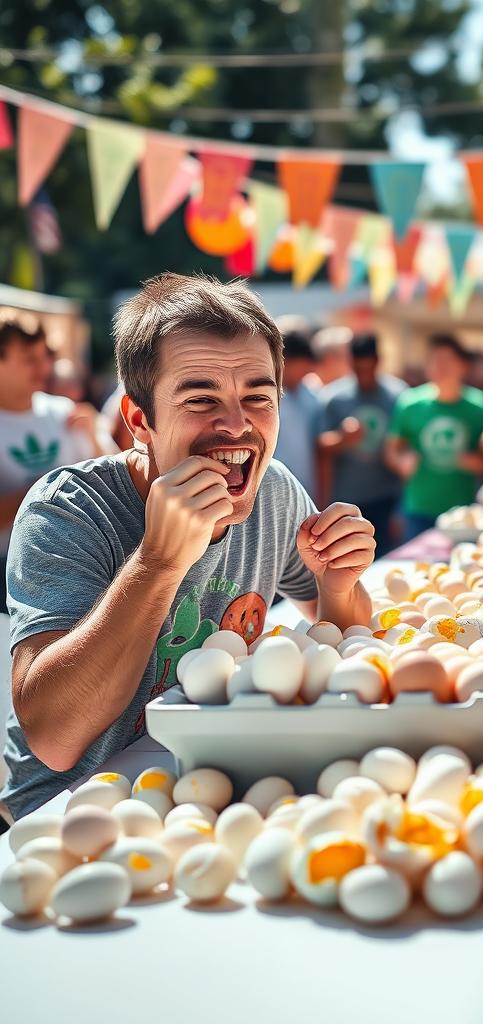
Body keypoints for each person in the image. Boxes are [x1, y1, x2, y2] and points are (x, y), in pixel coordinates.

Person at [1, 273, 375, 821]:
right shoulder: (68, 510)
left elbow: (339, 640)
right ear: (138, 421)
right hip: (69, 815)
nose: (236, 424)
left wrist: (337, 586)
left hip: (208, 793)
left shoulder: (274, 492)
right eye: (201, 398)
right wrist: (158, 562)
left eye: (258, 397)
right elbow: (55, 739)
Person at [0, 311, 105, 611]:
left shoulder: (66, 412)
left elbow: (108, 481)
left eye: (43, 356)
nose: (43, 367)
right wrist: (47, 489)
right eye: (28, 359)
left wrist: (96, 438)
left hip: (75, 562)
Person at [384, 333, 483, 539]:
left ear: (463, 366)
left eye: (447, 361)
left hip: (463, 515)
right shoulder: (409, 403)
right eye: (433, 361)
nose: (439, 367)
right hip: (418, 508)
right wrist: (401, 462)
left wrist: (474, 462)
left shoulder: (481, 407)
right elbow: (392, 449)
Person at [318, 331, 405, 554]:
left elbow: (406, 449)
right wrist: (343, 439)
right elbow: (321, 447)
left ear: (378, 361)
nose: (364, 375)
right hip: (348, 501)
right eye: (358, 369)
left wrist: (403, 508)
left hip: (388, 499)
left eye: (368, 369)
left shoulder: (399, 396)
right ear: (350, 363)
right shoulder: (334, 398)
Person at [275, 322, 321, 497]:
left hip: (307, 493)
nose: (306, 372)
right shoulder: (263, 400)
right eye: (302, 366)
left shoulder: (312, 395)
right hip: (274, 491)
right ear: (284, 362)